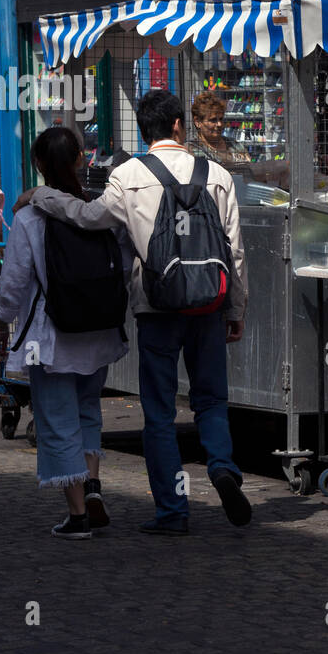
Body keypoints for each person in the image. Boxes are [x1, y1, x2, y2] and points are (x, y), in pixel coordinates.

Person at [27, 89, 250, 535]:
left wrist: (40, 196)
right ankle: (223, 466)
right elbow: (236, 252)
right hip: (208, 304)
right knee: (211, 401)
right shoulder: (218, 174)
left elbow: (89, 218)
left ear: (145, 130)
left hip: (157, 307)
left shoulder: (127, 175)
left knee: (160, 412)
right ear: (178, 126)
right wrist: (235, 309)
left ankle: (172, 511)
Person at [0, 128, 129, 539]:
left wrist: (0, 324)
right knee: (88, 413)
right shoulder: (98, 211)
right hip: (98, 333)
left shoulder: (31, 217)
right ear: (81, 162)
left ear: (38, 166)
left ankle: (77, 514)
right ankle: (92, 487)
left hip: (52, 338)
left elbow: (13, 284)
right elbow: (121, 264)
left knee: (56, 421)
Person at [188, 90, 252, 167]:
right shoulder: (192, 149)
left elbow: (249, 169)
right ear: (198, 122)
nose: (219, 124)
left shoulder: (235, 145)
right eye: (213, 120)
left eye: (221, 119)